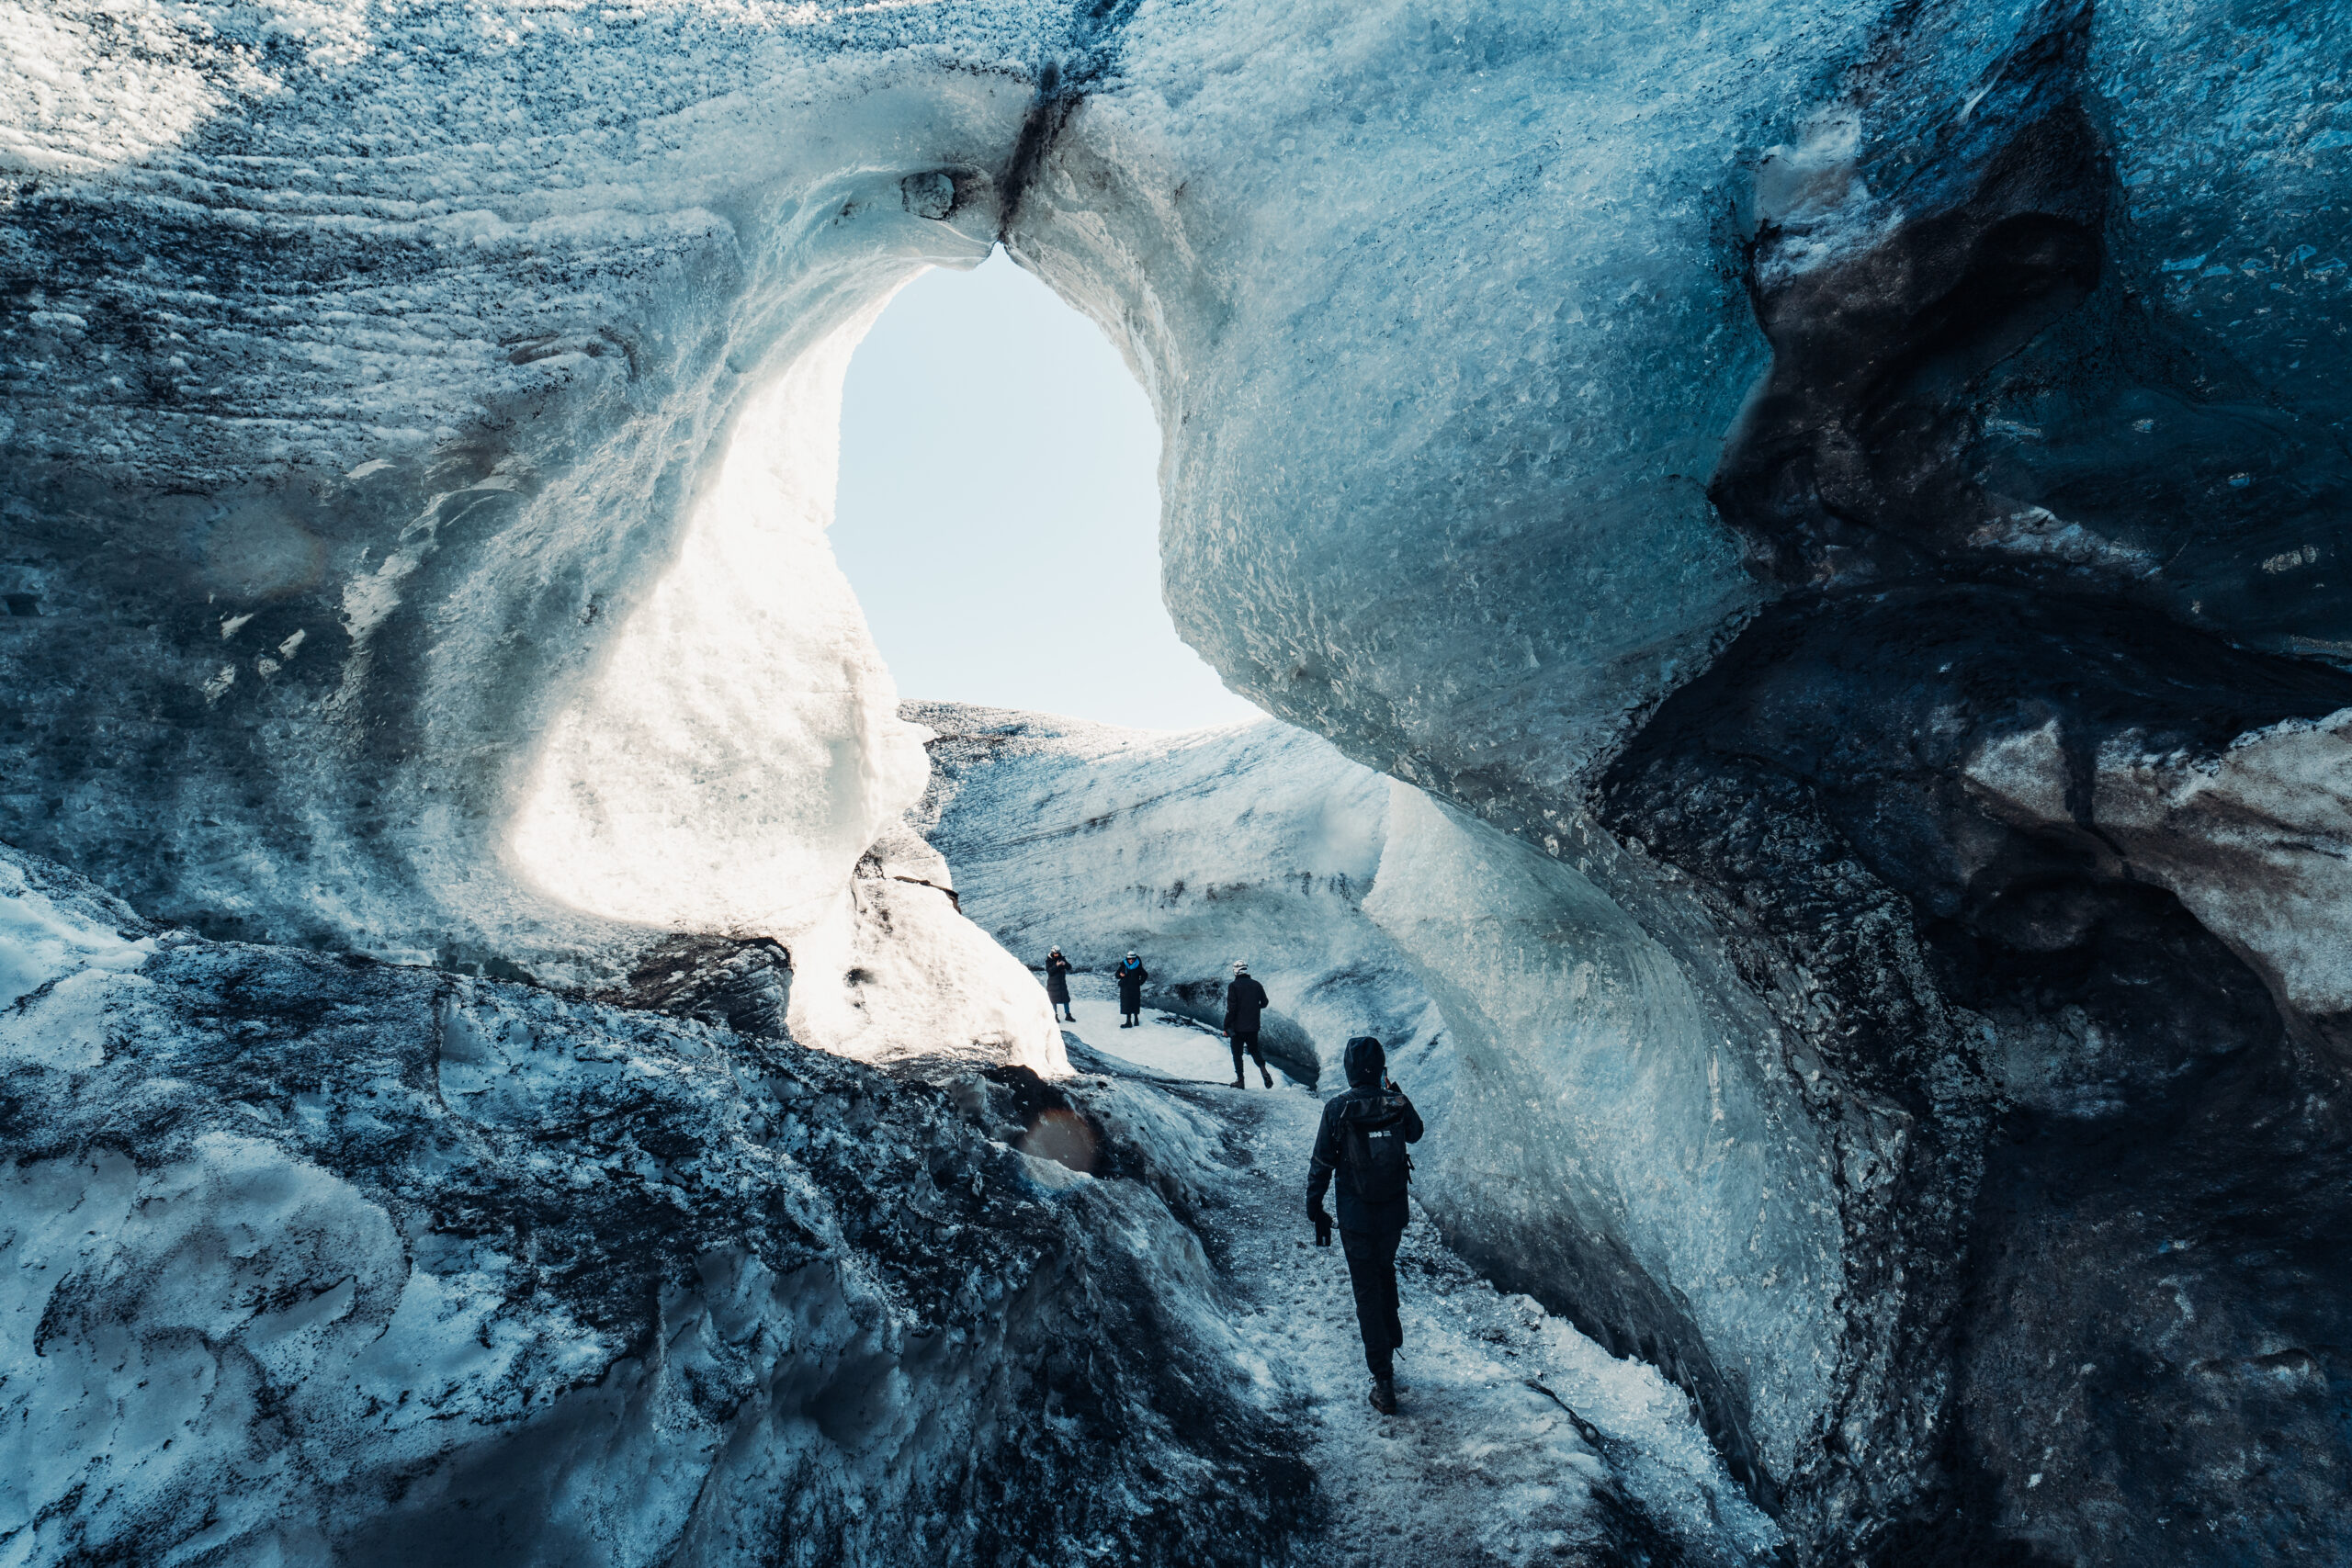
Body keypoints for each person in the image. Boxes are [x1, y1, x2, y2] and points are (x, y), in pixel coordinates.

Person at [1306, 1035, 1425, 1416]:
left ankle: (1383, 1381)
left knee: (1366, 1291)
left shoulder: (1338, 1108)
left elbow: (1322, 1163)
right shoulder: (1395, 1102)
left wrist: (1315, 1208)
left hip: (1356, 1215)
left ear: (1350, 1069)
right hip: (1392, 1213)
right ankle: (1391, 1335)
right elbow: (1416, 1132)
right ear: (1380, 1068)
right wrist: (1395, 1091)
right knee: (1384, 1269)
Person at [1222, 960, 1273, 1089]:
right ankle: (1264, 1071)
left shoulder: (1233, 986)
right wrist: (1253, 1007)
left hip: (1237, 1028)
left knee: (1237, 1054)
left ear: (1236, 971)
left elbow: (1231, 1009)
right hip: (1253, 1026)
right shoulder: (1257, 984)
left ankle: (1240, 1080)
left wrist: (1226, 1026)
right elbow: (1265, 1003)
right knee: (1254, 1050)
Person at [1114, 951, 1148, 1027]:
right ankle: (1128, 1021)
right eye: (1130, 959)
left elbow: (1145, 975)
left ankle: (1136, 1019)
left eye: (1133, 959)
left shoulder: (1138, 967)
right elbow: (1116, 975)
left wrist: (1140, 983)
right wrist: (1120, 975)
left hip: (1134, 988)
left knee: (1135, 1003)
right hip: (1125, 988)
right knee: (1127, 1004)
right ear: (1127, 959)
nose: (1131, 960)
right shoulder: (1123, 966)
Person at [1043, 947, 1075, 1021]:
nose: (1056, 955)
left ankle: (1068, 1015)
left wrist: (1065, 964)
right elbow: (1049, 971)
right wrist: (1056, 965)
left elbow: (1069, 967)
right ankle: (1054, 1016)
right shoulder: (1048, 961)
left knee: (1066, 999)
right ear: (1052, 953)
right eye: (1055, 954)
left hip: (1062, 983)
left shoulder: (1062, 959)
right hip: (1052, 984)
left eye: (1057, 954)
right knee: (1053, 1000)